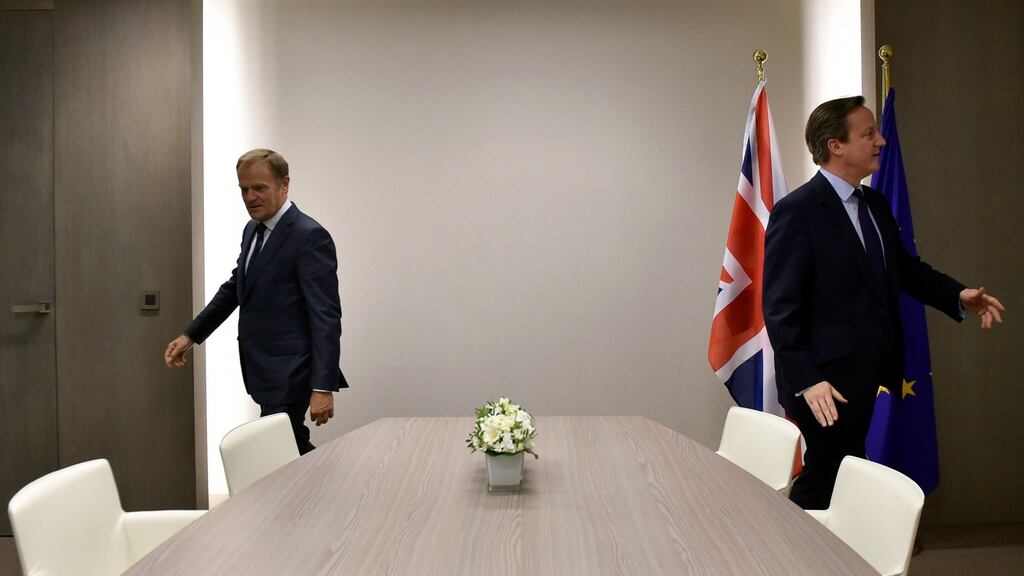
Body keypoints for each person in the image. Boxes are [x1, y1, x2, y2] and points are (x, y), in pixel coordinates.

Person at [763, 96, 1004, 510]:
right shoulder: (797, 212)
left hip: (865, 374)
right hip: (822, 384)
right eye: (868, 133)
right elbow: (780, 310)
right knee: (825, 478)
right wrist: (807, 380)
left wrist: (956, 294)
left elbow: (905, 270)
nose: (881, 140)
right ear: (835, 145)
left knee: (843, 477)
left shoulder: (874, 203)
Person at [164, 148, 348, 455]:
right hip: (262, 368)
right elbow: (236, 287)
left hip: (292, 371)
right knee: (286, 450)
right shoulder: (253, 230)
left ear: (284, 184)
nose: (250, 197)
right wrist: (191, 335)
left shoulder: (309, 236)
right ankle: (327, 495)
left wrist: (322, 386)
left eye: (259, 188)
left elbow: (325, 316)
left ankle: (335, 493)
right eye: (244, 189)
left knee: (281, 451)